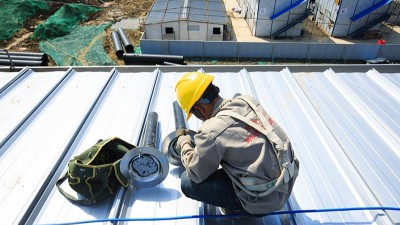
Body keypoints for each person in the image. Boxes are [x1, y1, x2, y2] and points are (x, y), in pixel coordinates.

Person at [174, 71, 299, 216]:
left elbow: (196, 172)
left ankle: (241, 209)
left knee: (186, 182)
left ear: (200, 110)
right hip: (285, 184)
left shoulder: (211, 131)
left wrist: (184, 144)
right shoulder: (247, 101)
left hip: (262, 201)